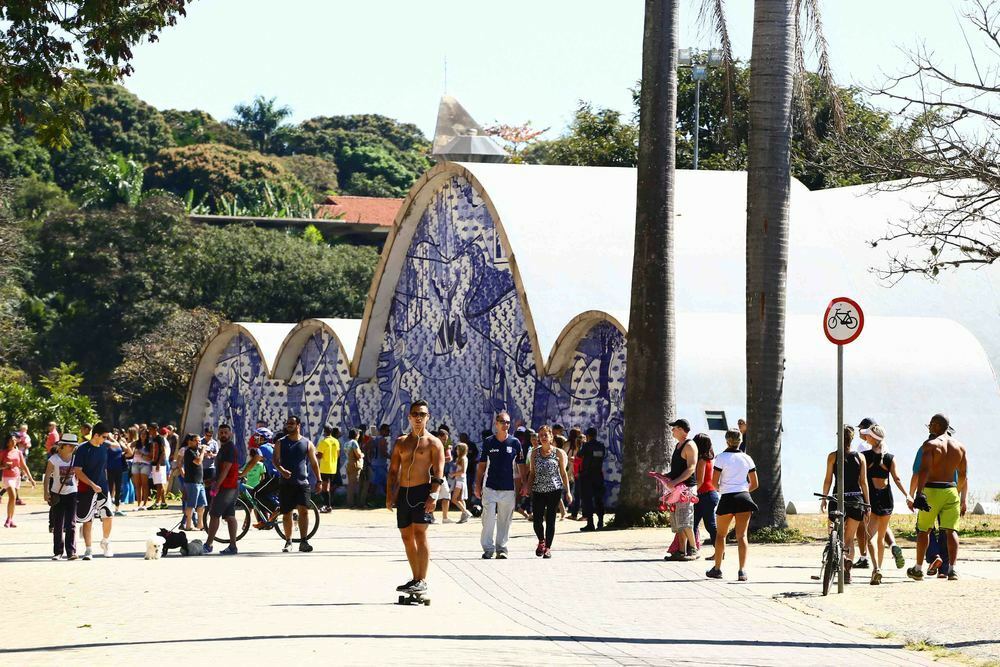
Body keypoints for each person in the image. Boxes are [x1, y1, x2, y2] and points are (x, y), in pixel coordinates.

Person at [387, 399, 445, 594]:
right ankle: (415, 578)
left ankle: (423, 579)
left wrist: (434, 495)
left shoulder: (434, 443)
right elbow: (393, 470)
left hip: (422, 491)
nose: (418, 418)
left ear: (428, 417)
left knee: (420, 534)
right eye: (415, 414)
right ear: (409, 417)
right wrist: (389, 495)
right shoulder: (401, 442)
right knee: (406, 536)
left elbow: (439, 471)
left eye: (422, 414)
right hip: (404, 492)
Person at [907, 413, 968, 581]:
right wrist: (958, 492)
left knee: (923, 530)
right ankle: (952, 569)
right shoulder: (960, 447)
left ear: (936, 425)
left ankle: (918, 568)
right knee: (951, 531)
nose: (929, 427)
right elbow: (963, 474)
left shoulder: (930, 445)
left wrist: (919, 494)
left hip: (932, 490)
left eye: (931, 424)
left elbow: (924, 471)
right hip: (951, 490)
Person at [820, 425, 876, 584]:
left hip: (837, 499)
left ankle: (837, 556)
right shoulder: (861, 457)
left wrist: (824, 498)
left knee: (834, 534)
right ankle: (847, 572)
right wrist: (868, 504)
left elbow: (828, 480)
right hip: (856, 500)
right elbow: (864, 483)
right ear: (852, 439)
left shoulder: (833, 456)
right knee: (850, 539)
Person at [706, 428, 759, 581]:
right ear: (740, 441)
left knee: (721, 535)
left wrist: (722, 489)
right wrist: (743, 490)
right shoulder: (747, 458)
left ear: (726, 440)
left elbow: (713, 482)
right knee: (742, 536)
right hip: (744, 497)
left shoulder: (721, 458)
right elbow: (755, 483)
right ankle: (742, 571)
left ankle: (717, 568)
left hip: (727, 498)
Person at [860, 424, 910, 580]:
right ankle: (879, 569)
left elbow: (860, 479)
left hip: (872, 498)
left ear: (872, 438)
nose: (865, 437)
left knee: (870, 538)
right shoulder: (890, 458)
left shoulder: (864, 456)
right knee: (881, 538)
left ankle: (876, 568)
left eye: (867, 435)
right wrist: (908, 495)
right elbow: (897, 479)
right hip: (887, 498)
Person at [476, 410, 522, 559]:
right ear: (496, 424)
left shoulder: (515, 443)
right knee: (488, 519)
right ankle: (488, 549)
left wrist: (524, 484)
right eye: (502, 422)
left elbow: (521, 467)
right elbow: (482, 465)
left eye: (508, 422)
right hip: (490, 487)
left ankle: (501, 549)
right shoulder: (489, 442)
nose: (505, 425)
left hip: (508, 489)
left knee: (505, 520)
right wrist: (477, 485)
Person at [273, 416, 321, 553]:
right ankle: (288, 542)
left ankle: (304, 541)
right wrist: (282, 470)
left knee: (304, 511)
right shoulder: (280, 442)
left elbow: (314, 463)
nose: (289, 426)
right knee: (287, 513)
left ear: (298, 425)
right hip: (285, 483)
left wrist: (319, 480)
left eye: (292, 423)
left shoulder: (307, 443)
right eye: (288, 424)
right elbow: (275, 460)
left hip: (302, 483)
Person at [525, 425, 572, 558]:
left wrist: (568, 492)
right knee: (537, 521)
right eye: (541, 435)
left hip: (554, 490)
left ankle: (548, 548)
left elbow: (563, 473)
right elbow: (532, 473)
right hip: (538, 490)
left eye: (546, 435)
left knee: (551, 520)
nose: (543, 438)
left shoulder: (558, 453)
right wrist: (528, 488)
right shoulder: (535, 452)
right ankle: (541, 541)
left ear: (551, 437)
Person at [73, 423, 115, 559]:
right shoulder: (82, 449)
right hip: (87, 489)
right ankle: (88, 549)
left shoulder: (104, 447)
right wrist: (92, 484)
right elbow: (77, 471)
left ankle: (105, 541)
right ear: (96, 435)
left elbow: (119, 449)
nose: (105, 439)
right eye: (104, 437)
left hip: (103, 488)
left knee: (108, 516)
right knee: (88, 520)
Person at [662, 419, 697, 558]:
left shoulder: (690, 445)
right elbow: (677, 469)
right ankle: (681, 551)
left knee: (685, 520)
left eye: (675, 428)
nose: (672, 431)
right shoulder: (678, 445)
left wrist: (675, 481)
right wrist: (666, 476)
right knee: (677, 522)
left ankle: (693, 549)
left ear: (682, 430)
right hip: (675, 489)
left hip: (686, 488)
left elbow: (691, 468)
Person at [204, 424, 240, 555]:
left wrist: (217, 484)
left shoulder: (229, 448)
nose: (223, 435)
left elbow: (226, 469)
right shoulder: (224, 448)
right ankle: (232, 546)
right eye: (221, 433)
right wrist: (213, 480)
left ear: (230, 434)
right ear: (218, 435)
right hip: (230, 486)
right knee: (230, 516)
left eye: (226, 432)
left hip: (226, 487)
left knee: (214, 515)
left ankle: (208, 545)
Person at [44, 436, 79, 559]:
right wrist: (45, 493)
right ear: (63, 445)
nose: (73, 448)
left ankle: (71, 552)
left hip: (72, 493)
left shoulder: (76, 459)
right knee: (58, 524)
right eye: (71, 445)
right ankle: (58, 552)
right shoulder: (53, 459)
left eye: (74, 446)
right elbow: (47, 476)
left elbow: (79, 474)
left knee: (71, 523)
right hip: (57, 494)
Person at [692, 433, 720, 556]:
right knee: (694, 523)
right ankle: (692, 548)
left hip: (705, 494)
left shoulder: (702, 460)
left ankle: (719, 551)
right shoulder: (710, 459)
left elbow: (700, 480)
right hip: (709, 494)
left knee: (708, 525)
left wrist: (692, 493)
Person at [578, 427, 607, 532]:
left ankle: (590, 524)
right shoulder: (601, 446)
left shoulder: (586, 446)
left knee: (588, 500)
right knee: (599, 499)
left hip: (587, 476)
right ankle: (601, 522)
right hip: (598, 476)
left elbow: (579, 455)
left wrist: (581, 446)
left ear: (588, 436)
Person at [3, 433, 35, 527]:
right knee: (12, 496)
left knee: (12, 499)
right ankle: (8, 519)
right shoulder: (3, 452)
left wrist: (31, 479)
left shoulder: (19, 452)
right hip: (7, 477)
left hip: (16, 477)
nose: (13, 441)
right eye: (11, 440)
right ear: (7, 442)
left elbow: (24, 466)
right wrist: (4, 466)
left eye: (14, 440)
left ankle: (11, 519)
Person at [181, 433, 208, 531]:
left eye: (200, 441)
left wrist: (205, 452)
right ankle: (188, 525)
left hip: (199, 482)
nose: (199, 443)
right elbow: (198, 461)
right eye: (196, 441)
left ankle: (200, 524)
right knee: (191, 504)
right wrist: (203, 451)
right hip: (192, 482)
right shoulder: (189, 452)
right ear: (190, 442)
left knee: (201, 505)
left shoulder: (197, 451)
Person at [106, 431, 132, 516]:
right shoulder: (107, 444)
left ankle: (117, 509)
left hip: (119, 469)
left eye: (116, 435)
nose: (114, 436)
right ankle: (108, 508)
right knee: (109, 489)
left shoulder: (118, 444)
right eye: (113, 434)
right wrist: (110, 438)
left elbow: (129, 452)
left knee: (118, 488)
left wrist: (125, 444)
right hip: (110, 469)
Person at [316, 426, 340, 512]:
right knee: (328, 487)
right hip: (333, 468)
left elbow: (319, 455)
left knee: (325, 488)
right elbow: (338, 454)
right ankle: (328, 505)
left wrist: (314, 453)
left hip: (325, 467)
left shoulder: (323, 442)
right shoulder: (336, 441)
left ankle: (327, 506)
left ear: (324, 432)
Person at [433, 426, 453, 522]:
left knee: (446, 495)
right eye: (444, 439)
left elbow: (449, 458)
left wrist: (442, 459)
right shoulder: (432, 445)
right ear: (439, 437)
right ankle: (430, 516)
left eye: (446, 440)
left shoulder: (443, 447)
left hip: (442, 475)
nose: (445, 441)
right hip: (433, 475)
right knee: (432, 495)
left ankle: (445, 518)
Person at [131, 426, 153, 511]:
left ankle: (144, 504)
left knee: (145, 485)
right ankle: (138, 504)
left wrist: (142, 454)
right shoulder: (136, 443)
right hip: (135, 464)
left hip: (145, 464)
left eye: (144, 434)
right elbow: (128, 446)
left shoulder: (150, 445)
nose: (143, 436)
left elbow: (151, 457)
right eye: (141, 434)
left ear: (147, 435)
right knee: (137, 485)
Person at [149, 422, 169, 510]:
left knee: (159, 484)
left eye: (150, 429)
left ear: (155, 429)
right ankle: (164, 502)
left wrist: (158, 464)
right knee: (158, 482)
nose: (149, 431)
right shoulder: (153, 439)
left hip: (160, 464)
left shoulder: (160, 438)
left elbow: (163, 452)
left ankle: (157, 503)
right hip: (154, 463)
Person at [450, 442, 471, 523]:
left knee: (454, 499)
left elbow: (462, 471)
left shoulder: (463, 458)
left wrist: (453, 474)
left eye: (458, 449)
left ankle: (466, 512)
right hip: (460, 480)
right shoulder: (461, 458)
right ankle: (464, 516)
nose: (457, 451)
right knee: (460, 499)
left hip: (460, 481)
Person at [344, 429, 363, 507]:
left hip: (349, 465)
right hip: (355, 465)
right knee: (353, 485)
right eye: (358, 434)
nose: (359, 436)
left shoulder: (346, 443)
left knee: (350, 484)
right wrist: (362, 454)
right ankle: (351, 503)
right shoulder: (354, 443)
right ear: (356, 435)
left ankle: (350, 502)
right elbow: (358, 455)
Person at [201, 426, 219, 490]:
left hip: (210, 467)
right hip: (201, 467)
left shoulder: (214, 443)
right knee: (200, 484)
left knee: (209, 486)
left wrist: (211, 454)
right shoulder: (200, 441)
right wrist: (203, 453)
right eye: (207, 435)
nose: (208, 437)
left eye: (210, 436)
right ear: (204, 434)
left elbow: (217, 454)